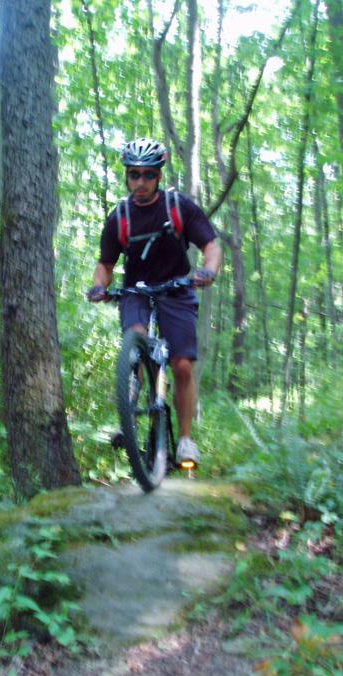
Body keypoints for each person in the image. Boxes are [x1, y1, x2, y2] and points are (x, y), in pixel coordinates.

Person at [87, 137, 222, 466]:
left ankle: (186, 441)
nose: (140, 182)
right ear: (127, 176)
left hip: (176, 289)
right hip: (136, 291)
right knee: (135, 344)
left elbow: (212, 245)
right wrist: (98, 287)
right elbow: (105, 264)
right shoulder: (120, 216)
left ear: (158, 176)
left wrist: (209, 271)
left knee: (181, 365)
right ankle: (129, 421)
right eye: (134, 175)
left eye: (148, 175)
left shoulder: (178, 207)